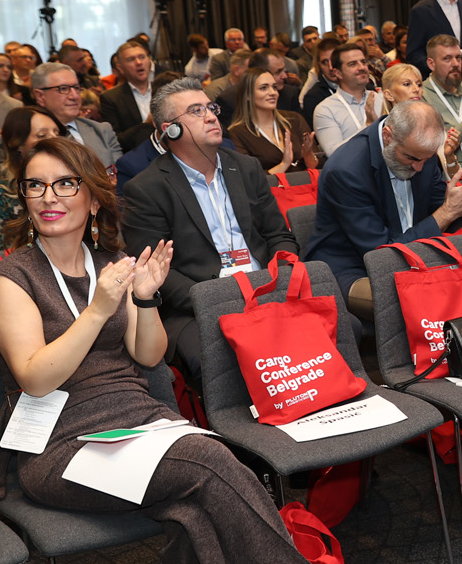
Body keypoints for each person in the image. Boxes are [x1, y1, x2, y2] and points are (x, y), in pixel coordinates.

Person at [0, 136, 380, 564]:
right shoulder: (11, 280)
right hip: (63, 445)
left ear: (92, 197)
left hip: (137, 423)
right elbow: (35, 378)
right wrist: (97, 309)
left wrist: (143, 299)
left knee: (195, 516)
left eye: (64, 183)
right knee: (211, 464)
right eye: (35, 186)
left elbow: (148, 355)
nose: (49, 197)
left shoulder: (109, 264)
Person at [121, 80, 298, 385]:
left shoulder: (247, 168)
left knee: (341, 324)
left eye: (211, 108)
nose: (212, 117)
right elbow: (156, 271)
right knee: (221, 360)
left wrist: (279, 283)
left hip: (266, 287)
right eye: (196, 111)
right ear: (170, 130)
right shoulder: (146, 189)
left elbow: (279, 236)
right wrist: (221, 299)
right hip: (198, 304)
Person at [306, 99, 462, 318]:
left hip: (417, 260)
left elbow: (442, 204)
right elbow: (381, 255)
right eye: (411, 158)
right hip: (355, 270)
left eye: (426, 159)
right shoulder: (346, 171)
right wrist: (447, 212)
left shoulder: (420, 151)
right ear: (387, 136)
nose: (419, 167)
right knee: (429, 299)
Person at [0, 106, 66, 250]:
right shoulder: (2, 191)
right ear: (18, 144)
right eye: (42, 135)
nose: (55, 140)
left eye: (56, 133)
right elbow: (2, 250)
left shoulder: (73, 182)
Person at [228, 66, 318, 176]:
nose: (273, 93)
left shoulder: (294, 119)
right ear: (247, 95)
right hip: (272, 186)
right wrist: (284, 164)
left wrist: (308, 156)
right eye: (263, 88)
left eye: (274, 87)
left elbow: (317, 167)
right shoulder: (237, 133)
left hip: (305, 184)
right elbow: (250, 178)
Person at [33, 62, 121, 169]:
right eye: (63, 89)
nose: (74, 96)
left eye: (76, 88)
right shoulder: (32, 137)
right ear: (40, 96)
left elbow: (121, 173)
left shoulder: (101, 131)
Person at [312, 41, 385, 158]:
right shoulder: (325, 110)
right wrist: (368, 126)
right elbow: (334, 154)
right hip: (353, 169)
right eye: (352, 64)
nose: (361, 67)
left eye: (363, 62)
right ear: (338, 73)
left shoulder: (381, 99)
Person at [420, 35, 462, 167]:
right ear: (431, 64)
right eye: (447, 59)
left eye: (458, 58)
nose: (455, 64)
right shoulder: (421, 96)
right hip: (443, 171)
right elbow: (437, 145)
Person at [100, 41, 159, 153]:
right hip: (138, 156)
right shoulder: (110, 98)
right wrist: (146, 124)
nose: (139, 62)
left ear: (149, 61)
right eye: (131, 59)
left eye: (142, 57)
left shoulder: (164, 89)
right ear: (120, 68)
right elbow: (115, 140)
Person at [298, 36, 343, 122]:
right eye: (324, 62)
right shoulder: (313, 98)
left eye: (333, 60)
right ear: (319, 65)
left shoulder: (360, 87)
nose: (330, 67)